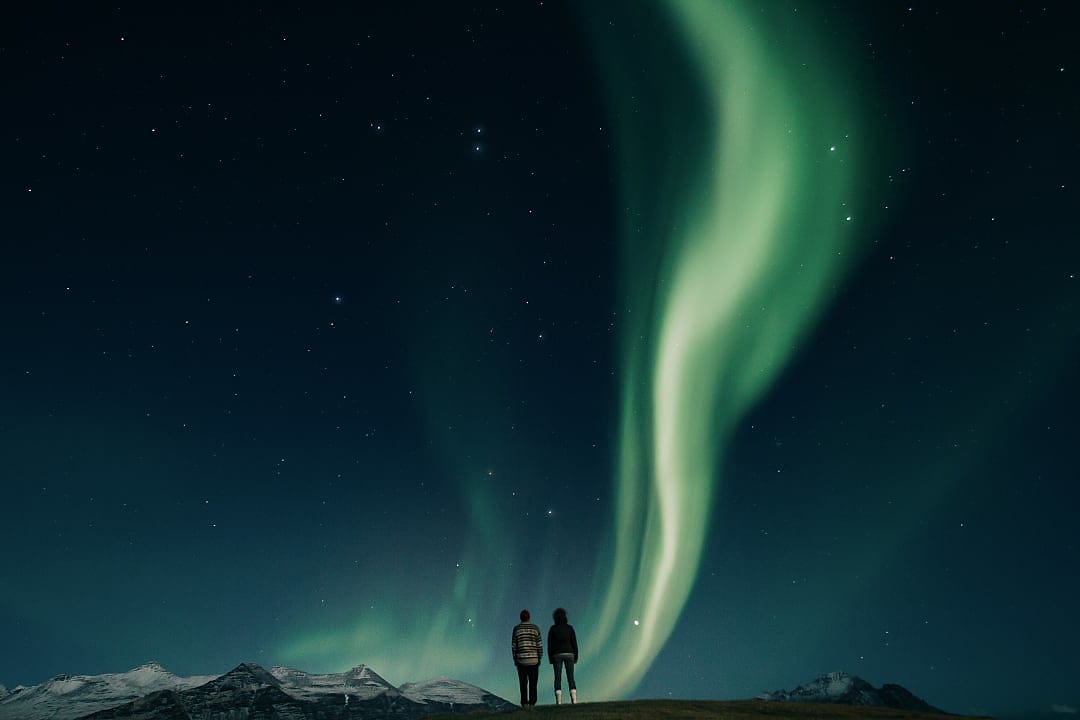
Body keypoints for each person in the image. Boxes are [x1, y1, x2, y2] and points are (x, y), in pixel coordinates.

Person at [511, 609, 542, 708]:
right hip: (534, 660)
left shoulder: (517, 629)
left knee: (523, 683)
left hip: (521, 660)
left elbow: (514, 646)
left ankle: (524, 703)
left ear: (521, 618)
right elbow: (539, 645)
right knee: (533, 683)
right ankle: (532, 703)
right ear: (529, 617)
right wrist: (539, 657)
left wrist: (515, 658)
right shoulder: (535, 628)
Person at [547, 607, 579, 704]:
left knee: (557, 678)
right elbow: (574, 643)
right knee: (571, 677)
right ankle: (574, 700)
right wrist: (576, 655)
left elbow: (550, 645)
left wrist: (550, 657)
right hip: (569, 653)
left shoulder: (552, 629)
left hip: (557, 654)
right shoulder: (570, 628)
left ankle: (559, 701)